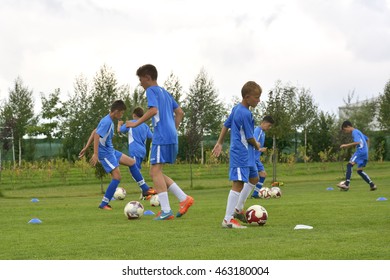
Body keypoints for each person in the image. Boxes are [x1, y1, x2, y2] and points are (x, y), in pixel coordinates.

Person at [126, 64, 194, 220]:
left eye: (140, 79)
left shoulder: (151, 91)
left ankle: (166, 210)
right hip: (171, 137)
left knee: (154, 172)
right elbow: (180, 112)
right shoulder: (165, 93)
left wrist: (135, 123)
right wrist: (173, 129)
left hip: (161, 137)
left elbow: (153, 110)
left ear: (148, 77)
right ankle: (184, 199)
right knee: (157, 172)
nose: (140, 83)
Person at [79, 100, 156, 209]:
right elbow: (96, 136)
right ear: (116, 111)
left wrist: (86, 147)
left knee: (132, 162)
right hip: (105, 153)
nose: (122, 115)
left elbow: (94, 131)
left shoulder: (107, 120)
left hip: (111, 151)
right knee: (117, 177)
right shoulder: (107, 122)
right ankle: (104, 203)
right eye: (121, 113)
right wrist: (95, 154)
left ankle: (145, 189)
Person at [212, 81, 262, 229]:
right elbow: (249, 137)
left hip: (248, 155)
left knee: (254, 178)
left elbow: (226, 125)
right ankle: (227, 220)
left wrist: (220, 142)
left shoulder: (237, 108)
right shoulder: (244, 113)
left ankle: (238, 209)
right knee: (238, 184)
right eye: (257, 97)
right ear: (247, 97)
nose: (259, 100)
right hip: (241, 154)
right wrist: (257, 144)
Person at [337, 120, 377, 191]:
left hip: (360, 152)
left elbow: (357, 142)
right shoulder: (359, 132)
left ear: (348, 126)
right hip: (364, 153)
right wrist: (366, 149)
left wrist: (346, 145)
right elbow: (367, 139)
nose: (346, 132)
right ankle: (372, 185)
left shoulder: (354, 132)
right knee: (359, 171)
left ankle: (346, 184)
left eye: (345, 130)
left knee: (349, 165)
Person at [117, 107, 153, 171]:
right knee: (137, 170)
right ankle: (141, 180)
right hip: (142, 151)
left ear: (134, 115)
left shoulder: (130, 123)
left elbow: (119, 130)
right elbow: (151, 136)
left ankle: (141, 181)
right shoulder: (145, 126)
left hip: (135, 150)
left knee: (135, 171)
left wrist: (119, 124)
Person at [251, 115, 274, 198]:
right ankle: (241, 194)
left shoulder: (262, 132)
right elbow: (253, 142)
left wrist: (260, 149)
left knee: (263, 174)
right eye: (269, 125)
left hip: (256, 158)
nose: (269, 127)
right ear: (264, 123)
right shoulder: (258, 131)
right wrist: (260, 149)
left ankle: (255, 194)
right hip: (252, 158)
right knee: (252, 178)